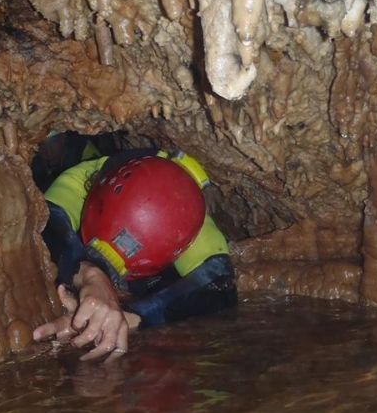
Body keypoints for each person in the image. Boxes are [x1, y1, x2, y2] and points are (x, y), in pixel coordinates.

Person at [31, 132, 237, 362]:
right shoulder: (88, 177)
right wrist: (88, 273)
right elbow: (46, 219)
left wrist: (130, 317)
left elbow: (220, 286)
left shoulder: (189, 224)